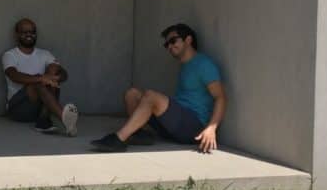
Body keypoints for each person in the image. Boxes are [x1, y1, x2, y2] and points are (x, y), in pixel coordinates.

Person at [91, 22, 226, 153]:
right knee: (132, 94)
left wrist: (211, 128)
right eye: (167, 44)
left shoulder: (204, 64)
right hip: (177, 124)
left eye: (173, 41)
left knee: (151, 96)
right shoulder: (185, 66)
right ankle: (140, 134)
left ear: (188, 40)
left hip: (193, 128)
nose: (169, 47)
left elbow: (220, 97)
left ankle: (119, 139)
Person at [1, 18, 79, 136]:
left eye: (32, 32)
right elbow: (13, 75)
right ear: (17, 34)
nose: (29, 34)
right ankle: (63, 118)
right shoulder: (10, 55)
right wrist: (42, 78)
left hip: (41, 108)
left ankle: (43, 121)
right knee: (38, 84)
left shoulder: (45, 54)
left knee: (54, 70)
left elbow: (64, 74)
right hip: (18, 110)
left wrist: (55, 78)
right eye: (24, 31)